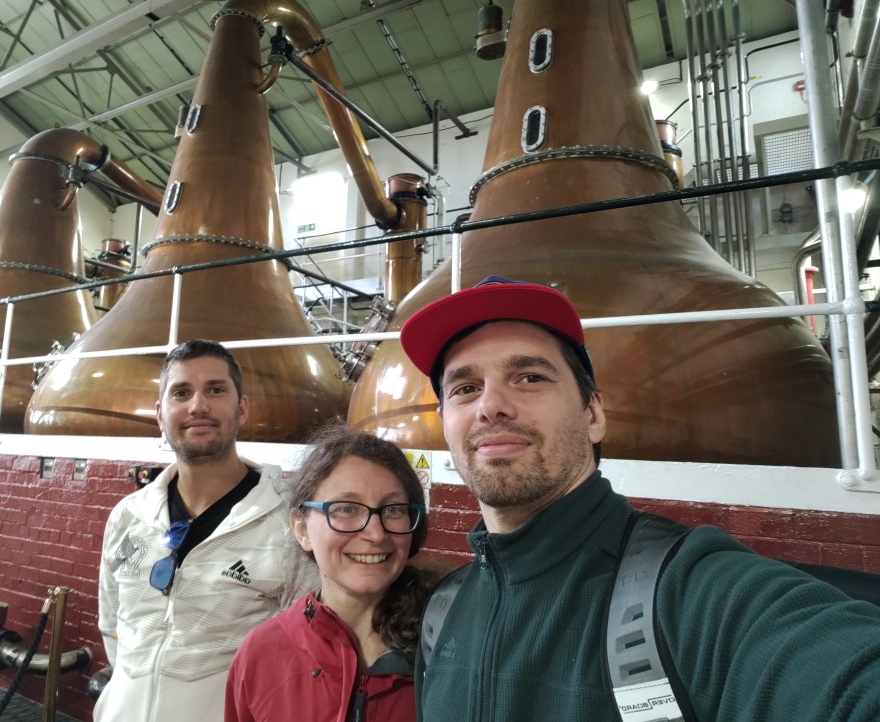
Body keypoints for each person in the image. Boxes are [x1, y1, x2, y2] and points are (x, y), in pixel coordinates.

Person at [400, 275, 880, 722]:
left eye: (530, 377)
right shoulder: (444, 613)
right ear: (446, 424)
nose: (490, 406)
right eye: (466, 388)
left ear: (593, 415)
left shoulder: (688, 592)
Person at [95, 339, 318, 722]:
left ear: (241, 408)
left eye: (215, 390)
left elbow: (303, 655)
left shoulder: (288, 523)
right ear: (160, 414)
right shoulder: (127, 516)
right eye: (181, 393)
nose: (198, 405)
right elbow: (112, 627)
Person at [224, 424, 435, 722]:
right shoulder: (261, 655)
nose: (376, 534)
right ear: (301, 528)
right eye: (347, 509)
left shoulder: (448, 645)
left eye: (393, 510)